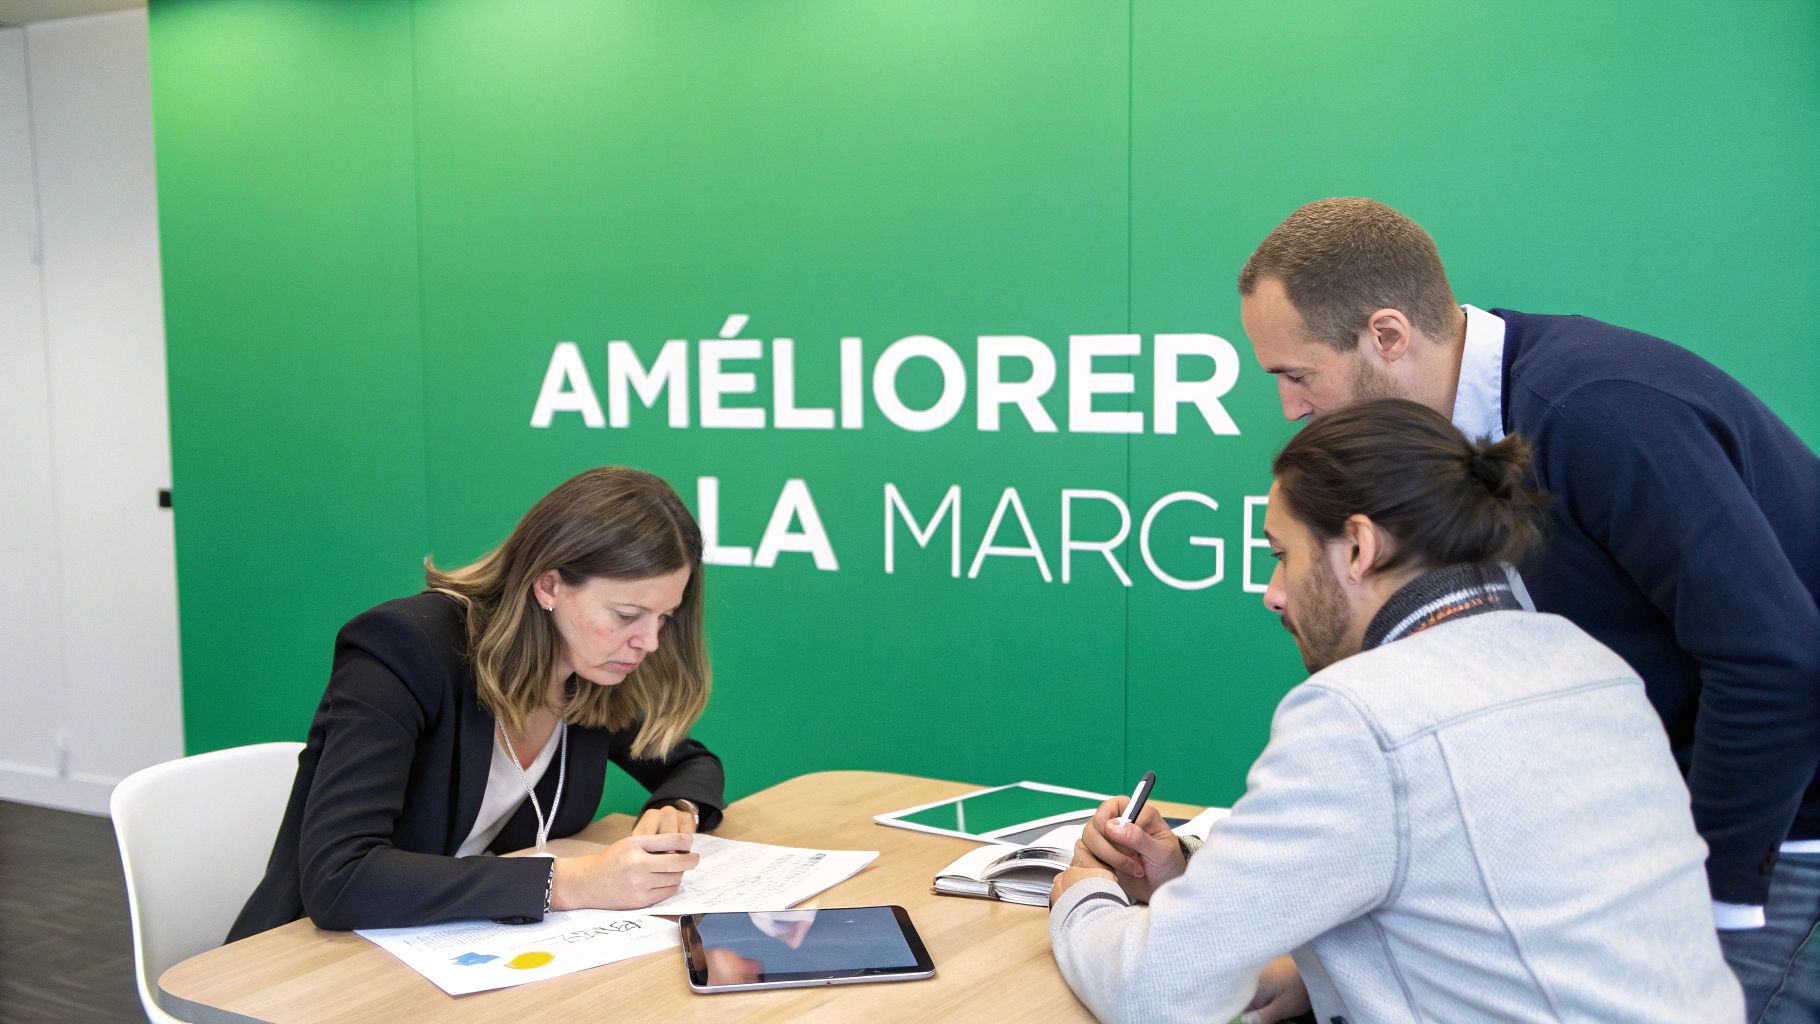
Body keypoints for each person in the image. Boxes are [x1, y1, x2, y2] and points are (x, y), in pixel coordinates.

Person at [1234, 197, 1819, 1021]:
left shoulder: (1599, 411)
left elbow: (1774, 660)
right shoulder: (1449, 439)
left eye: (1297, 375)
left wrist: (1702, 900)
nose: (1292, 408)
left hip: (1775, 842)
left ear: (1389, 336)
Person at [1049, 399, 1743, 1023]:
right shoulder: (1587, 664)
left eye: (1281, 556)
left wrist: (1083, 896)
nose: (1272, 592)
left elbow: (1154, 992)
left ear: (1358, 546)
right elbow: (1482, 920)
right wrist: (1227, 911)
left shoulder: (1363, 714)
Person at [229, 466, 724, 941]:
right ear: (549, 585)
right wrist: (571, 882)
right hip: (312, 963)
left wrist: (675, 805)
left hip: (460, 951)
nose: (650, 642)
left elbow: (691, 763)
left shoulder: (589, 675)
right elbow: (340, 878)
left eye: (665, 617)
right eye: (627, 614)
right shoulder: (405, 649)